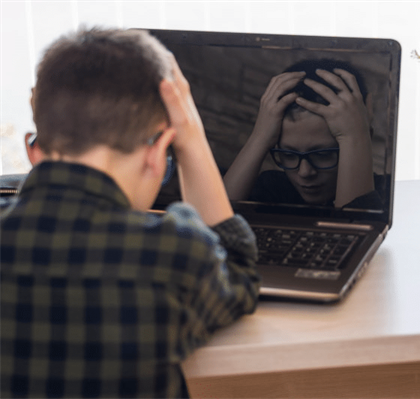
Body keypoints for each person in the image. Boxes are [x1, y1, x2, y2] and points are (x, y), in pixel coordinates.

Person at [0, 28, 261, 399]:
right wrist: (191, 138)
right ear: (158, 153)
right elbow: (239, 269)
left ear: (34, 150)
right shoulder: (175, 252)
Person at [223, 59, 382, 209]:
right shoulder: (270, 189)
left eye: (322, 154)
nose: (305, 172)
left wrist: (354, 137)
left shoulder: (392, 199)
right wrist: (259, 138)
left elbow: (352, 235)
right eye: (288, 154)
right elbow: (212, 229)